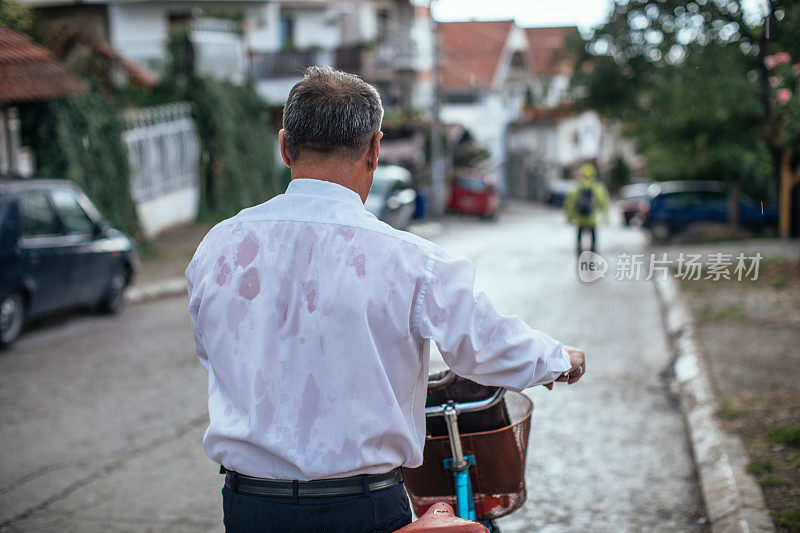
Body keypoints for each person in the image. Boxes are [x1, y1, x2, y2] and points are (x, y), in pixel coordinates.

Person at [186, 66, 586, 533]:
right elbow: (482, 344)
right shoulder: (411, 260)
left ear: (284, 146)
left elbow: (212, 353)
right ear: (375, 150)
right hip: (364, 510)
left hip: (250, 509)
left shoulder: (219, 248)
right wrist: (560, 360)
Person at [564, 164, 610, 256]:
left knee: (579, 235)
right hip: (591, 218)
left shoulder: (577, 187)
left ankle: (579, 251)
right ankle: (593, 250)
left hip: (579, 218)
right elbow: (603, 202)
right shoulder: (597, 187)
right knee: (593, 235)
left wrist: (569, 218)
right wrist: (605, 216)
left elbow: (569, 203)